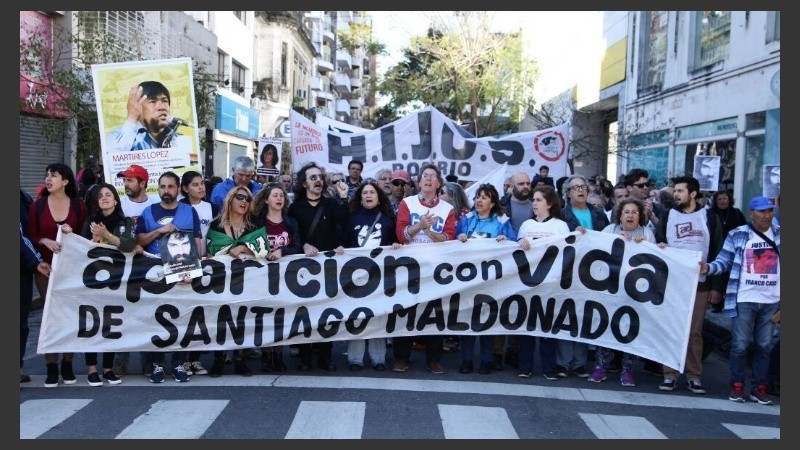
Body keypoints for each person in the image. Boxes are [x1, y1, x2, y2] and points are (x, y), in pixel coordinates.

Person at [700, 196, 779, 405]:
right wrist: (708, 268)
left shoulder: (781, 235)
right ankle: (737, 386)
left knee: (765, 346)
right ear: (751, 213)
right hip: (744, 298)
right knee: (740, 345)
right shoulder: (738, 235)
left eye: (770, 211)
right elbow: (724, 261)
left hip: (772, 301)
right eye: (761, 212)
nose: (766, 215)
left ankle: (759, 387)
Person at [655, 175, 724, 394]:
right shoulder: (668, 215)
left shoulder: (710, 217)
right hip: (673, 283)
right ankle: (670, 373)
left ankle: (694, 375)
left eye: (680, 191)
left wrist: (716, 287)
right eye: (675, 191)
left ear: (693, 193)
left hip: (700, 285)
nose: (675, 194)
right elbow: (658, 242)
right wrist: (660, 245)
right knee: (672, 328)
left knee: (694, 332)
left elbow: (719, 252)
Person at [135, 171, 202, 383]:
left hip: (183, 272)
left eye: (171, 186)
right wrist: (159, 231)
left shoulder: (189, 211)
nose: (166, 191)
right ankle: (156, 363)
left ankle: (178, 363)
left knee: (182, 318)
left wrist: (193, 269)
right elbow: (140, 241)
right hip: (154, 274)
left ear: (178, 188)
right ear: (158, 188)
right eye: (162, 186)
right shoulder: (148, 212)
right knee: (156, 318)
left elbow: (198, 244)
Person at [27, 163, 89, 388]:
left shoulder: (79, 207)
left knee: (71, 316)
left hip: (72, 271)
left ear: (65, 181)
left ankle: (68, 363)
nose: (48, 179)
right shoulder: (38, 206)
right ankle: (51, 365)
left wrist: (71, 235)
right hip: (46, 269)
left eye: (54, 175)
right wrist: (44, 240)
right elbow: (30, 236)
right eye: (47, 175)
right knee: (50, 316)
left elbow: (86, 239)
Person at [393, 163, 457, 375]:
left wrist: (430, 233)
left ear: (438, 183)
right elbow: (401, 235)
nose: (428, 179)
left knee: (435, 313)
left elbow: (449, 238)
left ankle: (434, 360)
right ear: (419, 182)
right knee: (406, 311)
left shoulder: (447, 209)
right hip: (409, 267)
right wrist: (419, 226)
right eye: (424, 176)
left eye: (432, 176)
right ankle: (402, 358)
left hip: (435, 269)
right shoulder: (407, 203)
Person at [588, 198, 656, 387]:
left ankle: (627, 369)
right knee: (605, 326)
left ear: (640, 216)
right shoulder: (609, 231)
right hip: (610, 288)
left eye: (635, 212)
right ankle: (600, 366)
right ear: (620, 215)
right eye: (627, 212)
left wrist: (645, 246)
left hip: (635, 291)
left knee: (630, 328)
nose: (630, 215)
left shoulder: (647, 234)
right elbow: (595, 249)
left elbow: (656, 259)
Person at [288, 162, 349, 371]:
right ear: (304, 183)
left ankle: (325, 356)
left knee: (326, 312)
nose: (317, 181)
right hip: (303, 269)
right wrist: (303, 244)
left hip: (328, 268)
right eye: (312, 177)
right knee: (305, 313)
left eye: (319, 177)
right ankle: (305, 357)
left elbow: (343, 225)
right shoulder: (295, 208)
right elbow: (291, 236)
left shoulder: (331, 205)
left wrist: (343, 198)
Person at [206, 186, 269, 377]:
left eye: (248, 199)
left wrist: (242, 247)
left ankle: (240, 358)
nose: (244, 202)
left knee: (241, 319)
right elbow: (210, 251)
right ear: (230, 199)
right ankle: (219, 359)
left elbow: (264, 248)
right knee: (220, 318)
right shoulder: (216, 225)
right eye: (240, 197)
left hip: (246, 281)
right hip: (221, 281)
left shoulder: (254, 225)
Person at [76, 182, 136, 386]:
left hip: (116, 280)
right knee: (91, 323)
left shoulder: (124, 221)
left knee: (111, 323)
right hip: (92, 280)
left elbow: (129, 245)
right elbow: (81, 247)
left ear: (115, 199)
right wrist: (94, 237)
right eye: (100, 195)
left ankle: (108, 368)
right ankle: (92, 369)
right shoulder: (90, 221)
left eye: (108, 194)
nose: (104, 198)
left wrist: (108, 236)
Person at [455, 184, 515, 375]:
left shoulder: (502, 221)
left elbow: (513, 244)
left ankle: (486, 361)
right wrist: (460, 235)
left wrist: (505, 240)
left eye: (484, 197)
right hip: (468, 279)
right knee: (468, 319)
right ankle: (467, 360)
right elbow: (453, 243)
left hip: (492, 280)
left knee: (488, 319)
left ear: (493, 202)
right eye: (477, 197)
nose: (479, 201)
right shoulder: (466, 220)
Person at [344, 180, 400, 372]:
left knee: (377, 315)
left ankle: (378, 358)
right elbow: (344, 242)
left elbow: (395, 241)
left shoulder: (387, 219)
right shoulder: (351, 218)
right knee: (357, 316)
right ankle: (355, 359)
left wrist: (395, 245)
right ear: (360, 197)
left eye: (372, 193)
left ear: (378, 197)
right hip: (356, 275)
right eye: (365, 193)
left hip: (380, 276)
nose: (368, 195)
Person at [516, 185, 570, 381]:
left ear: (550, 203)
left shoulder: (560, 226)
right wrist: (520, 243)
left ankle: (549, 367)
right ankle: (525, 366)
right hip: (529, 282)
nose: (535, 204)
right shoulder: (527, 225)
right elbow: (515, 251)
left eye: (539, 200)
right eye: (534, 200)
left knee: (547, 327)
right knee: (528, 326)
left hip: (550, 282)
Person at [559, 174, 609, 378]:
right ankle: (563, 361)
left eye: (583, 187)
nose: (580, 190)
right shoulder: (562, 215)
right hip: (568, 270)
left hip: (593, 272)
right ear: (568, 193)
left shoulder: (598, 214)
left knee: (583, 314)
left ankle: (579, 362)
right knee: (565, 314)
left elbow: (608, 238)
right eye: (575, 187)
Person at [112, 164, 158, 377]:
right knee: (125, 315)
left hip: (149, 267)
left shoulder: (155, 206)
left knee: (148, 316)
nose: (126, 184)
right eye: (124, 180)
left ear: (143, 183)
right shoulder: (118, 206)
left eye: (130, 180)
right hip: (123, 268)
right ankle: (120, 362)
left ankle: (148, 362)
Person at [251, 182, 303, 372]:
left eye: (281, 195)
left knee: (281, 316)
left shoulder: (291, 222)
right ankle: (266, 354)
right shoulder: (257, 222)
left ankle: (279, 353)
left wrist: (283, 251)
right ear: (266, 199)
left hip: (285, 277)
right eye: (275, 195)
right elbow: (251, 245)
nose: (279, 198)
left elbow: (297, 245)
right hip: (261, 277)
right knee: (264, 316)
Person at [494, 171, 535, 370]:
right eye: (521, 183)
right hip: (506, 262)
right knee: (501, 306)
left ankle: (514, 350)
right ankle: (497, 351)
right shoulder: (502, 205)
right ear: (511, 185)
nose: (525, 186)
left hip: (531, 263)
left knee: (522, 307)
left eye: (528, 183)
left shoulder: (536, 206)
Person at [106, 81, 193, 152]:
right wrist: (132, 118)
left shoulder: (179, 139)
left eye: (164, 101)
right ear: (138, 106)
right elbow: (113, 160)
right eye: (152, 101)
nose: (162, 107)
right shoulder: (119, 135)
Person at [20, 189, 51, 384]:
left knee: (20, 322)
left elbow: (27, 234)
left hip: (22, 268)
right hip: (26, 263)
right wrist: (36, 261)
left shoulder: (23, 198)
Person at [708, 190, 747, 313]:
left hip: (734, 247)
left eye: (725, 198)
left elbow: (744, 228)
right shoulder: (710, 213)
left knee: (732, 274)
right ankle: (717, 303)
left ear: (729, 200)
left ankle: (730, 301)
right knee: (718, 273)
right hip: (716, 247)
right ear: (715, 201)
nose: (722, 201)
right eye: (719, 199)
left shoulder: (736, 213)